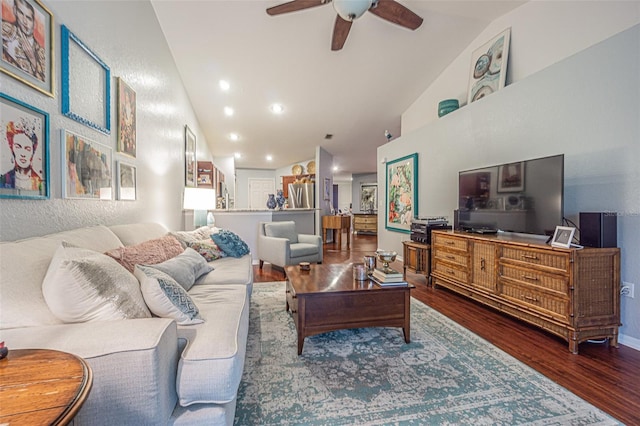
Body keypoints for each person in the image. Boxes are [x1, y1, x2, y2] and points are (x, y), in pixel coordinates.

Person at [2, 0, 46, 82]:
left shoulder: (42, 52)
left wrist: (33, 60)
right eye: (21, 13)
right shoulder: (4, 30)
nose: (24, 21)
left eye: (28, 18)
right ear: (15, 11)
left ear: (34, 23)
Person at [1, 119, 43, 191]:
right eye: (18, 147)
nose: (23, 154)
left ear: (33, 151)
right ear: (12, 148)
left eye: (27, 149)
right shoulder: (4, 179)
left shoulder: (38, 182)